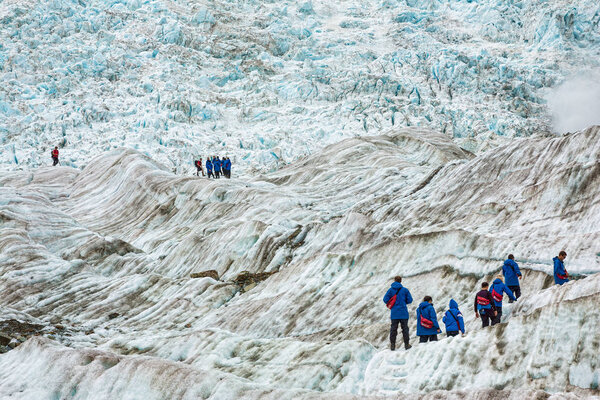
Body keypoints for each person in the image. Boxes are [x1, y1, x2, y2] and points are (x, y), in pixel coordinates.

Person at [382, 276, 413, 351]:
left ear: (394, 280)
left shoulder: (390, 290)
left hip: (394, 313)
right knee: (405, 329)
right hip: (403, 313)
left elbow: (385, 299)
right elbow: (410, 300)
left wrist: (392, 303)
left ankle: (392, 345)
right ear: (401, 281)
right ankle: (406, 344)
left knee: (393, 329)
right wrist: (403, 301)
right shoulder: (405, 290)